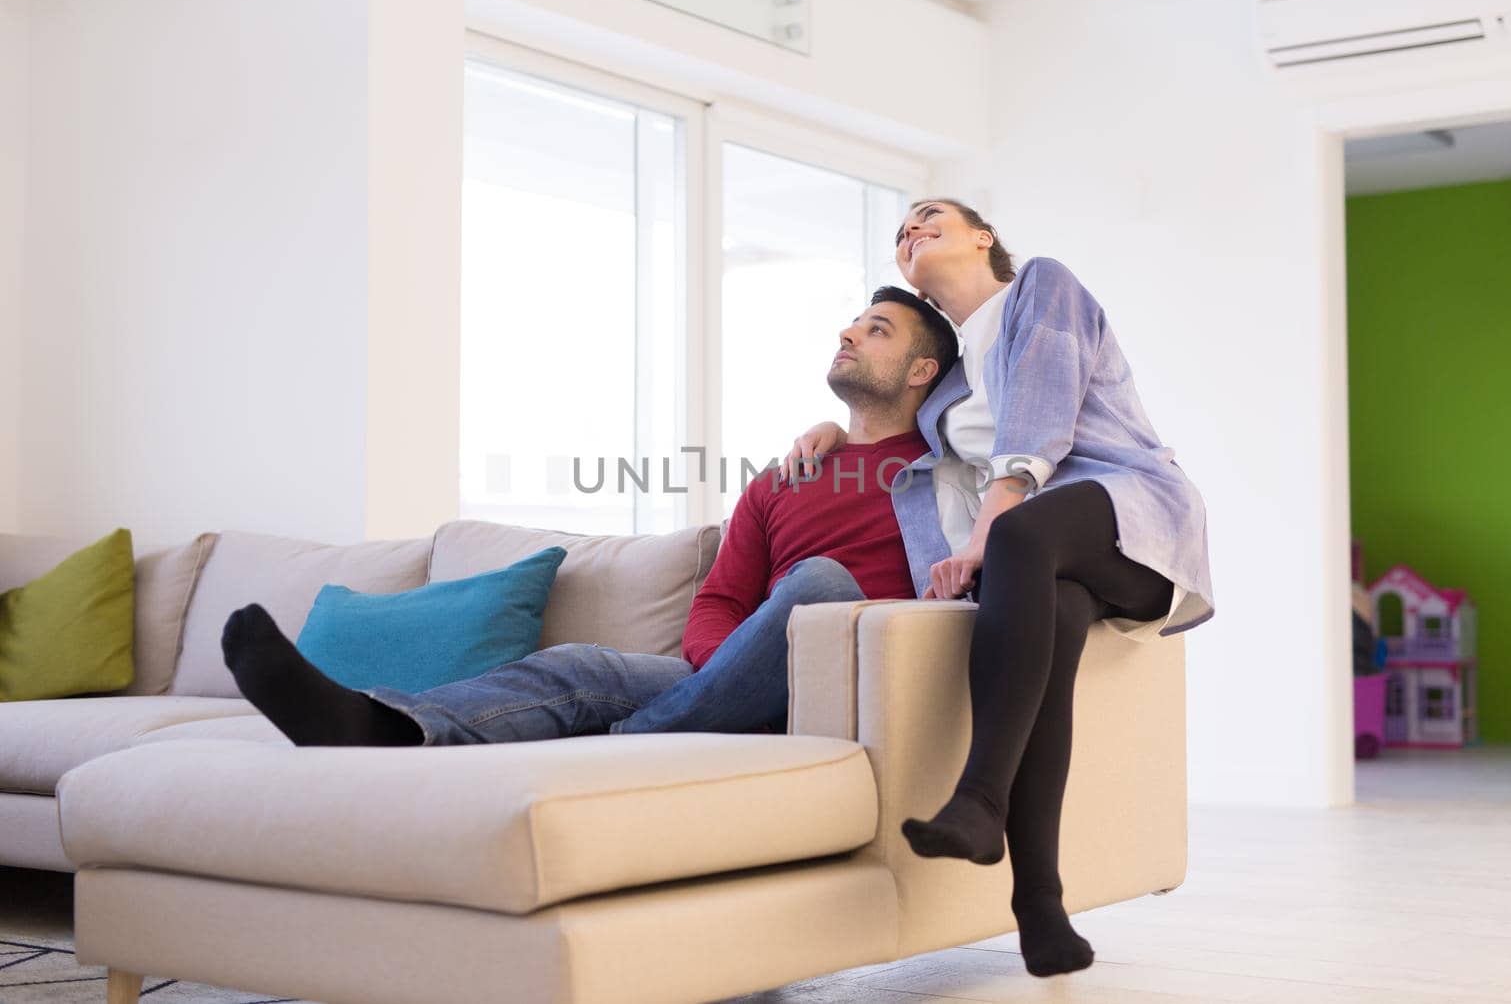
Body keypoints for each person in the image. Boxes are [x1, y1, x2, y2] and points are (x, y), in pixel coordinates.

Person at [219, 287, 959, 749]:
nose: (849, 333)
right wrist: (728, 673)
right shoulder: (779, 477)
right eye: (854, 322)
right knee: (579, 664)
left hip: (843, 681)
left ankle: (645, 735)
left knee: (821, 581)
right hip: (739, 675)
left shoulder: (946, 475)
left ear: (922, 372)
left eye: (878, 330)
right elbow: (721, 601)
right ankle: (375, 724)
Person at [780, 199, 1216, 979]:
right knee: (1048, 625)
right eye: (901, 229)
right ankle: (1041, 912)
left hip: (1132, 517)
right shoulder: (946, 383)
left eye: (930, 216)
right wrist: (833, 430)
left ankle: (980, 798)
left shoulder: (1041, 289)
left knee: (1021, 531)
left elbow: (1036, 427)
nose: (911, 229)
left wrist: (989, 535)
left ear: (984, 238)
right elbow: (900, 429)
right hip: (1049, 557)